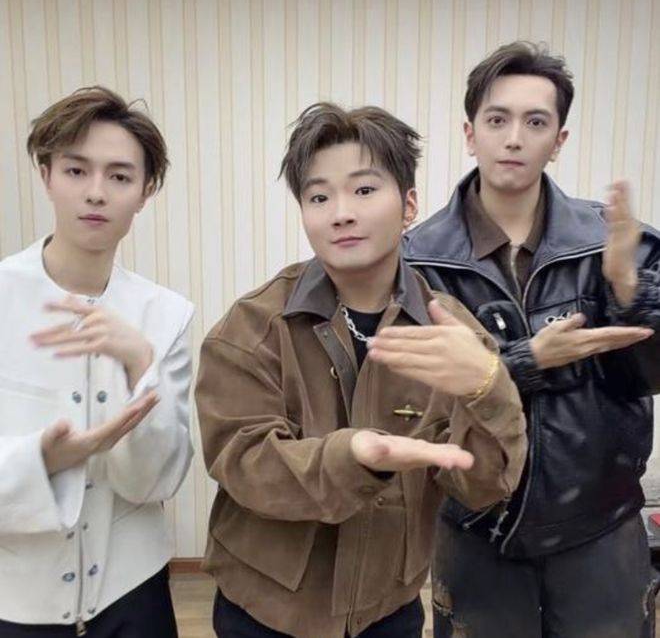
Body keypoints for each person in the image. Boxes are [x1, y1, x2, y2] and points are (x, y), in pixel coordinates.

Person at [195, 103, 527, 638]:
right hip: (266, 608)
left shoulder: (452, 333)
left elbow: (485, 484)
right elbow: (243, 463)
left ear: (409, 204)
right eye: (319, 197)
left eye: (365, 190)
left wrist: (489, 387)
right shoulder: (253, 325)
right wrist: (353, 457)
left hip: (387, 608)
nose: (341, 213)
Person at [370, 41, 660, 637]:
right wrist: (526, 361)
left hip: (602, 525)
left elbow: (652, 375)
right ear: (470, 133)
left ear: (559, 140)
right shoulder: (417, 260)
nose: (514, 138)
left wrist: (627, 289)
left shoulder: (614, 241)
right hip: (476, 523)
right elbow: (409, 402)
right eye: (497, 120)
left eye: (536, 122)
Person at [0, 87, 194, 637]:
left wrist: (141, 363)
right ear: (46, 176)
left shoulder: (166, 313)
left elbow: (157, 482)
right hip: (16, 597)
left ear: (145, 191)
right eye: (76, 170)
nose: (95, 193)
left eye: (119, 176)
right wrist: (43, 459)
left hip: (133, 592)